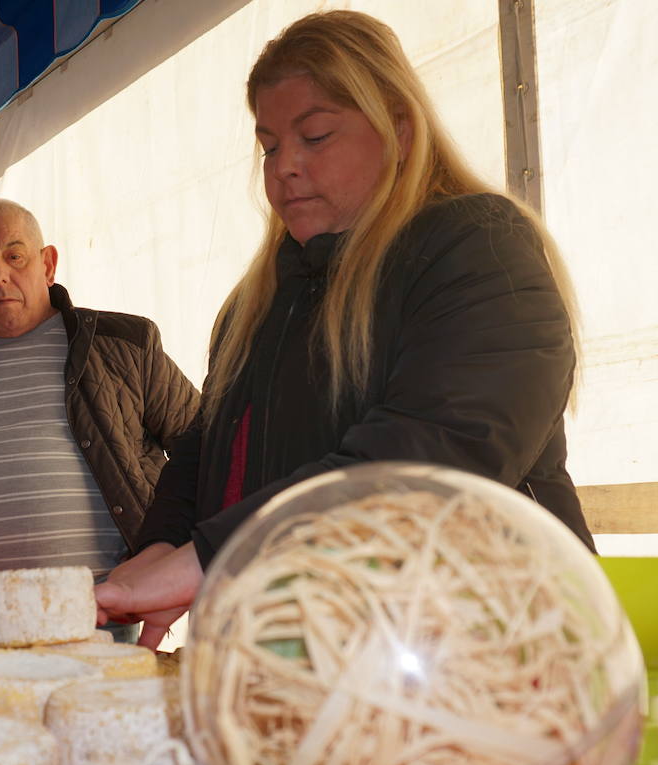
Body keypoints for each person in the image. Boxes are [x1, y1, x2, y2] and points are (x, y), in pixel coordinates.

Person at [96, 10, 595, 649]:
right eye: (270, 144)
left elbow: (430, 457)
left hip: (478, 663)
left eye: (317, 136)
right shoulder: (253, 304)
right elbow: (205, 449)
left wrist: (207, 559)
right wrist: (161, 546)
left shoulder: (477, 248)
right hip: (301, 658)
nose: (284, 167)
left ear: (400, 130)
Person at [0, 199, 199, 594]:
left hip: (101, 604)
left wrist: (164, 547)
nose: (0, 276)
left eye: (15, 256)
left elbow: (202, 446)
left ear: (48, 264)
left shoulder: (126, 345)